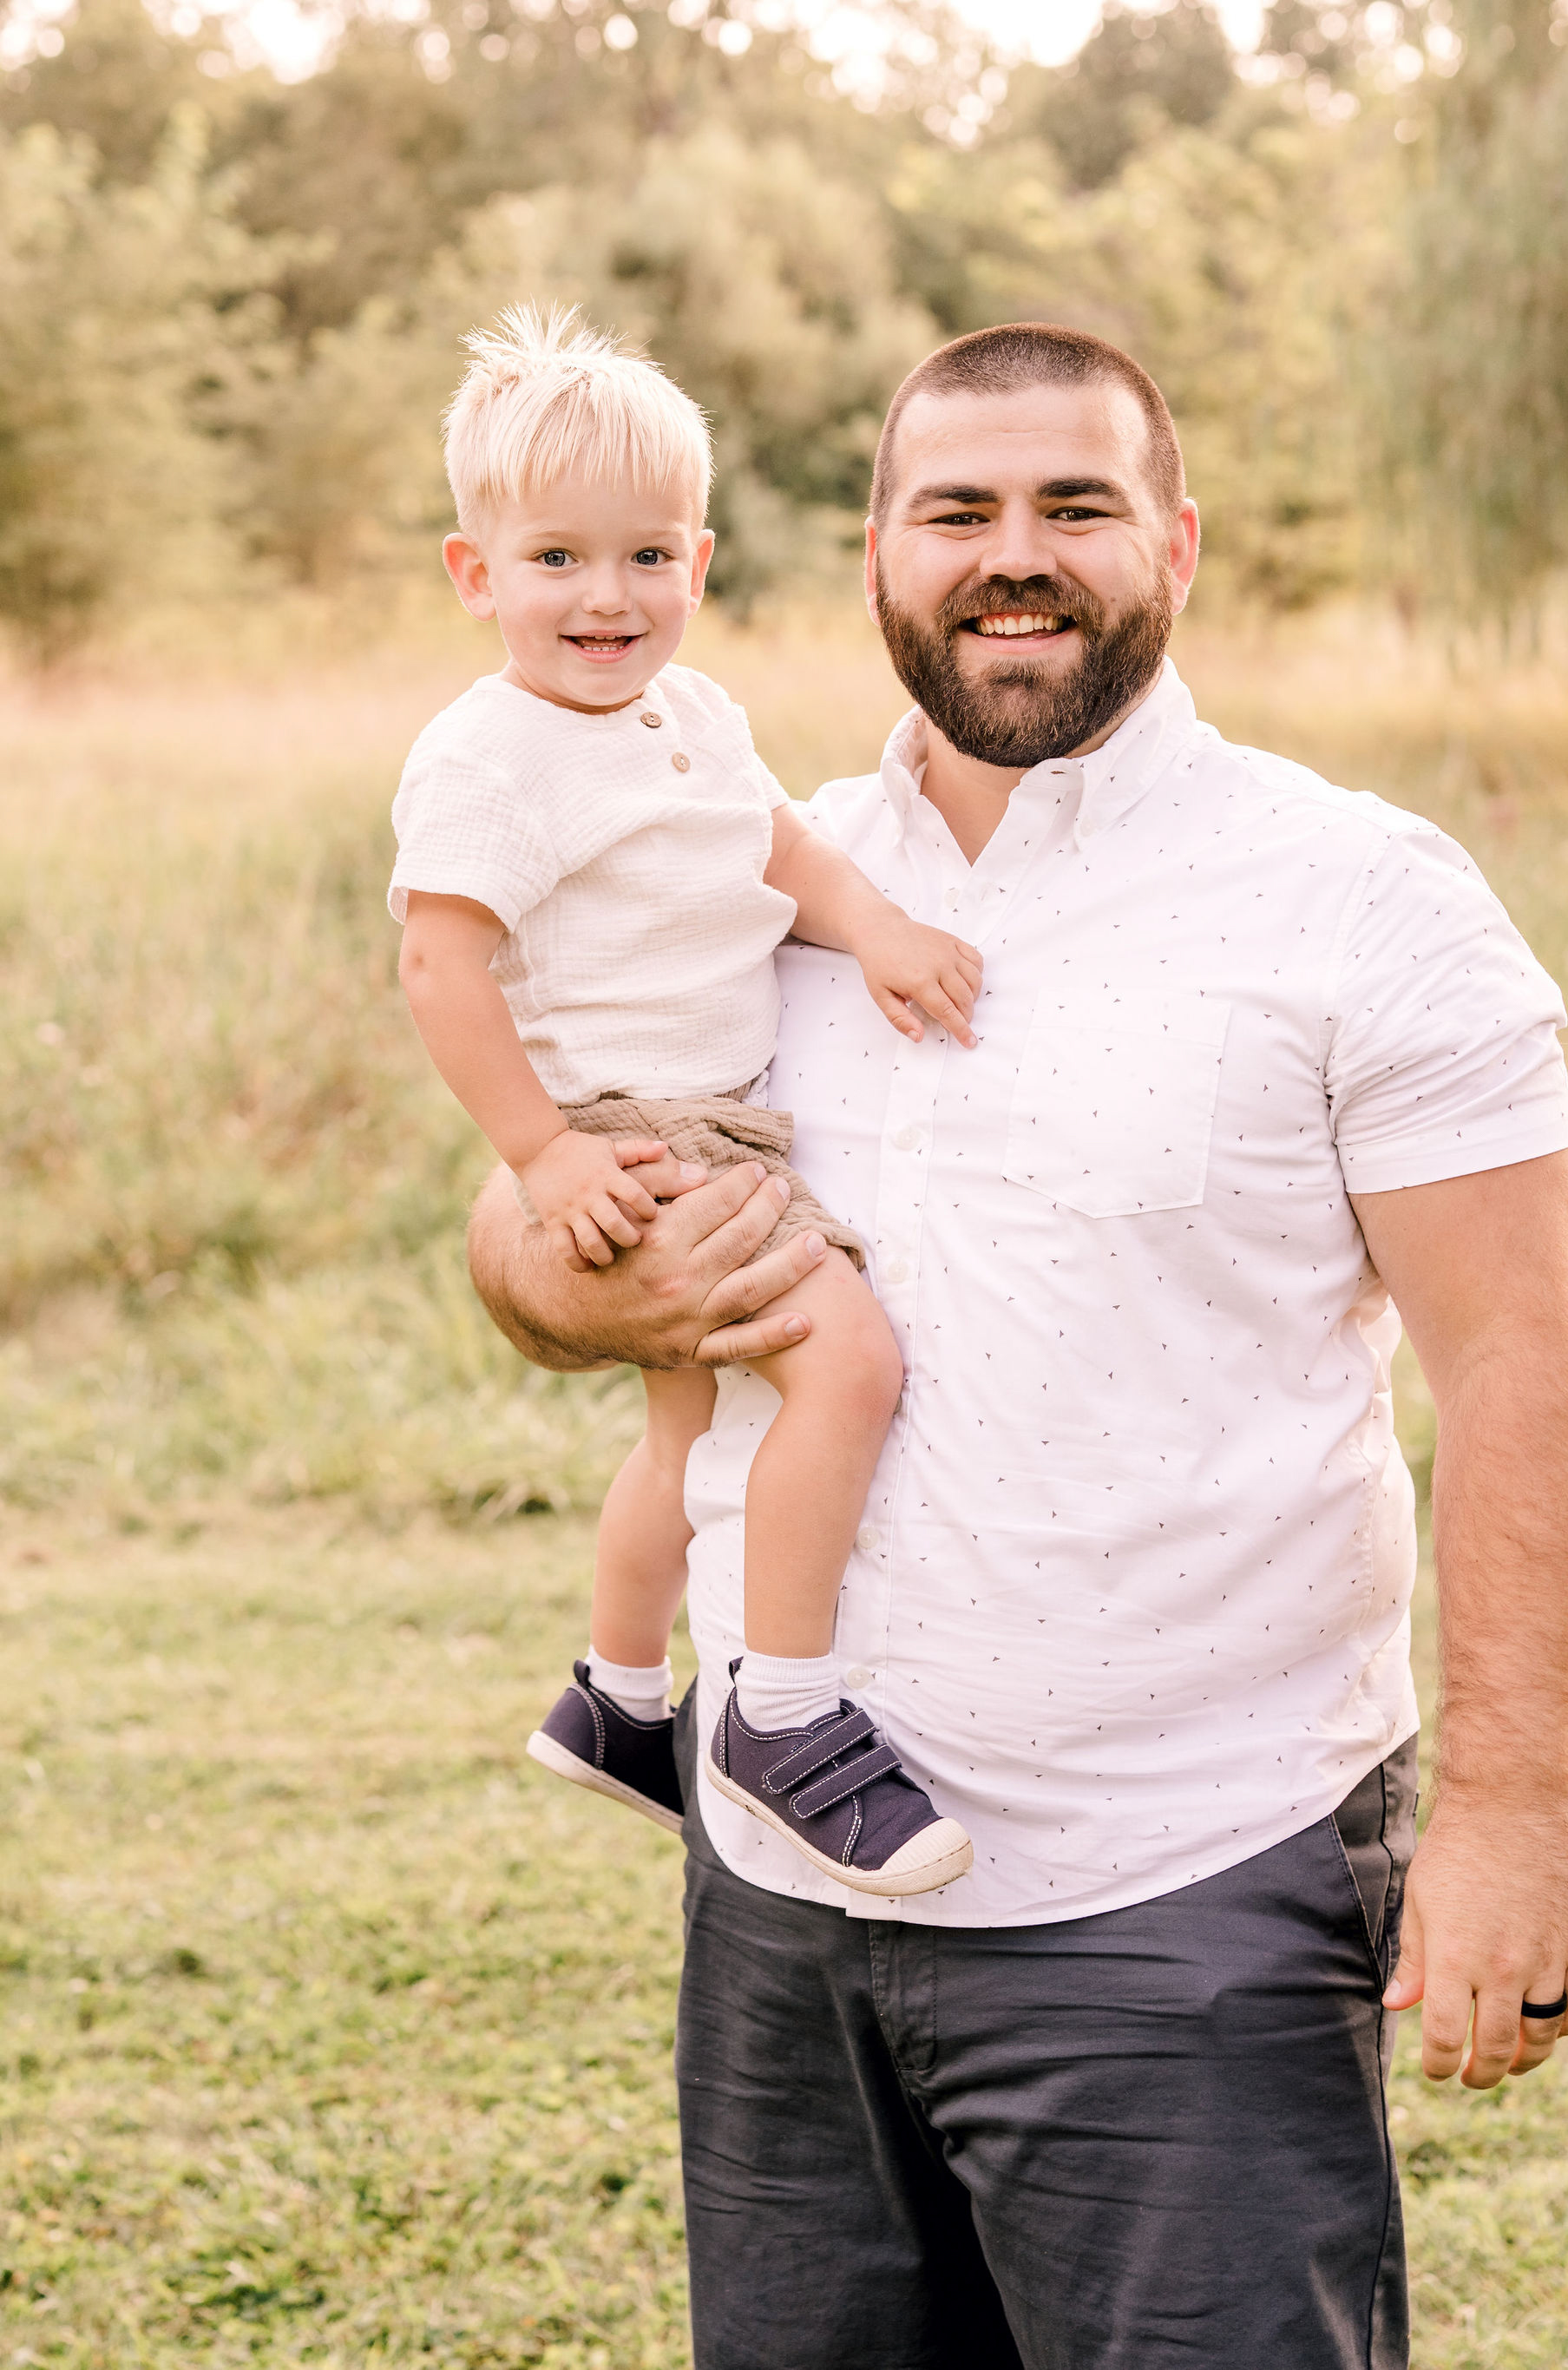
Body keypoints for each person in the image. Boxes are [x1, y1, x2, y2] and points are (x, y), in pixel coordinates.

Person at [465, 323, 1568, 2370]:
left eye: (1075, 506)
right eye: (959, 512)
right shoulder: (734, 863)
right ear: (874, 560)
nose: (1018, 556)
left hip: (1186, 1894)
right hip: (780, 1908)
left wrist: (1514, 1808)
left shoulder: (1359, 901)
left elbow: (1522, 1367)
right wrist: (585, 1282)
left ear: (1174, 540)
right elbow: (530, 1194)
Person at [390, 303, 983, 1896]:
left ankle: (616, 1697)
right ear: (478, 574)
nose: (608, 597)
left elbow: (775, 846)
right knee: (847, 1365)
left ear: (700, 562)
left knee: (689, 1427)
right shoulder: (491, 758)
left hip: (707, 1105)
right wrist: (542, 1155)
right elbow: (441, 970)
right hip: (646, 1125)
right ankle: (779, 1715)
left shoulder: (695, 716)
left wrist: (877, 928)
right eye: (558, 560)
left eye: (647, 556)